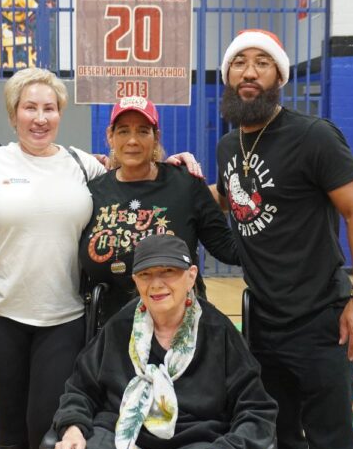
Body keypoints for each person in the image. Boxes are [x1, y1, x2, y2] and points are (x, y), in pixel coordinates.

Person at [214, 28, 353, 449]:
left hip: (322, 321)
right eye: (239, 62)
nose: (249, 72)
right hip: (263, 324)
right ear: (227, 74)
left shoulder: (314, 136)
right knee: (281, 442)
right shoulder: (229, 146)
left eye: (262, 63)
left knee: (331, 446)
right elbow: (233, 195)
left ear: (279, 77)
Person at [0, 67, 108, 449]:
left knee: (46, 424)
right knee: (9, 422)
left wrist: (170, 162)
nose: (40, 117)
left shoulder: (83, 166)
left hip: (63, 315)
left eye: (50, 108)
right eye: (30, 107)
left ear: (61, 114)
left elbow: (131, 180)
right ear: (14, 115)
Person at [50, 234, 277, 449]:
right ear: (135, 281)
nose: (156, 284)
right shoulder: (120, 326)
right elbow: (80, 390)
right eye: (145, 275)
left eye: (168, 271)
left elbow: (257, 408)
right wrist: (73, 427)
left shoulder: (218, 332)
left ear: (191, 276)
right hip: (118, 434)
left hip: (192, 440)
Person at [80, 95, 239, 324]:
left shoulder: (185, 184)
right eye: (123, 131)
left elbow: (226, 248)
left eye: (143, 131)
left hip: (180, 326)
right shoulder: (93, 191)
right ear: (110, 137)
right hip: (111, 327)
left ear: (156, 137)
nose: (133, 140)